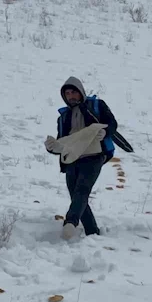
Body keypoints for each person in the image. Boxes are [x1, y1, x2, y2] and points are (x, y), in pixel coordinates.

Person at [45, 76, 118, 241]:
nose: (71, 96)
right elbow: (63, 143)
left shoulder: (97, 106)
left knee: (82, 189)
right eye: (67, 93)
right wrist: (52, 148)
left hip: (94, 155)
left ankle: (70, 223)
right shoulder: (63, 117)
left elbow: (112, 123)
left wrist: (105, 132)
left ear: (81, 92)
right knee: (76, 195)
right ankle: (92, 232)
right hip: (72, 158)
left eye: (73, 92)